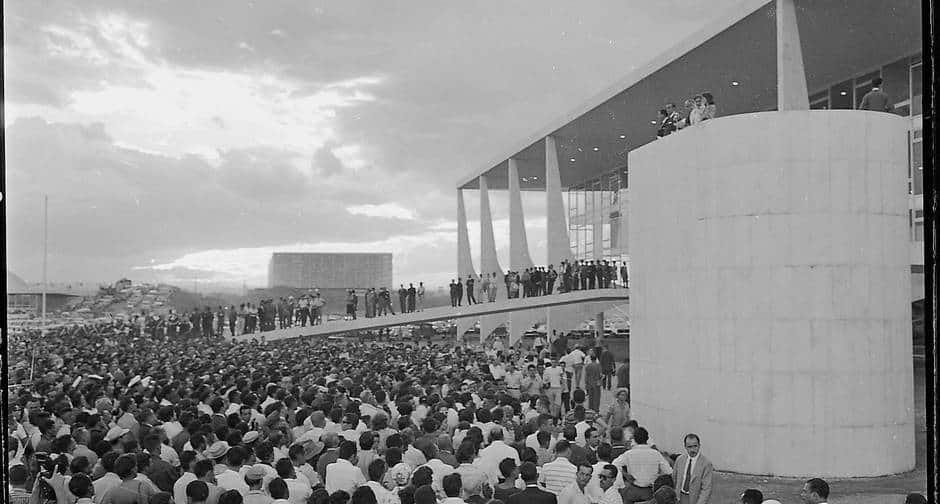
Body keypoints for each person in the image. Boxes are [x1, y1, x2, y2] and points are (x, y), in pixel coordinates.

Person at [612, 428, 672, 503]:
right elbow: (668, 471)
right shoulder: (655, 454)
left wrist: (626, 475)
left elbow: (615, 464)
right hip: (650, 491)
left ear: (634, 439)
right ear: (647, 438)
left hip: (633, 491)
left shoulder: (629, 453)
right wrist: (657, 476)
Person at [672, 434, 712, 504]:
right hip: (679, 497)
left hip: (695, 499)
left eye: (695, 446)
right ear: (685, 447)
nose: (693, 449)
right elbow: (674, 478)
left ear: (699, 445)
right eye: (689, 447)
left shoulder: (706, 463)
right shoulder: (680, 460)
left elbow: (706, 488)